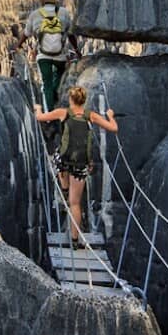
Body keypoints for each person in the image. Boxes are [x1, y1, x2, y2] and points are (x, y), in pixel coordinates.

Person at [34, 86, 117, 248]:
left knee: (56, 159)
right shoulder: (90, 116)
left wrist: (38, 108)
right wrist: (110, 116)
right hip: (81, 164)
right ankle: (74, 240)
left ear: (71, 100)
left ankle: (64, 187)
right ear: (84, 101)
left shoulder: (63, 112)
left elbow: (40, 118)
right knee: (75, 204)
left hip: (64, 160)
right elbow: (114, 128)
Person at [11, 0, 79, 112]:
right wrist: (77, 50)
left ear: (42, 1)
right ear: (54, 1)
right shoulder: (63, 13)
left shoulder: (35, 15)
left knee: (46, 84)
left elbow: (26, 34)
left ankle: (51, 113)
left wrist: (18, 45)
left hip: (43, 56)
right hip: (60, 56)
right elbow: (70, 34)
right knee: (58, 81)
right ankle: (56, 100)